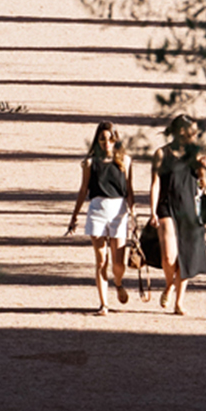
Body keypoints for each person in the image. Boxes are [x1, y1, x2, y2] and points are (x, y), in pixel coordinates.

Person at [66, 119, 135, 313]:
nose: (107, 143)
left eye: (110, 139)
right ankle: (104, 304)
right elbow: (83, 190)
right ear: (97, 140)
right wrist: (74, 216)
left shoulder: (125, 161)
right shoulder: (90, 163)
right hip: (97, 210)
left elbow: (130, 191)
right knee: (101, 260)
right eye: (103, 139)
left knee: (119, 263)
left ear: (115, 140)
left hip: (119, 211)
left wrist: (134, 213)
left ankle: (118, 282)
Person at [152, 116, 206, 313]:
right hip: (166, 206)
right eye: (191, 132)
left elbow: (203, 182)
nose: (195, 136)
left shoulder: (197, 153)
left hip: (188, 208)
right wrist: (151, 211)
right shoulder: (161, 153)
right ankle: (170, 284)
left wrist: (203, 169)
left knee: (185, 254)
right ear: (180, 132)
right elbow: (155, 183)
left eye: (196, 133)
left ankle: (178, 301)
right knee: (169, 256)